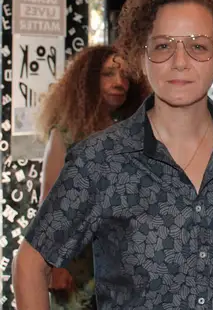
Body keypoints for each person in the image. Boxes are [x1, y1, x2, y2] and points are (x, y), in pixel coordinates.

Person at [13, 0, 213, 310]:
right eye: (164, 46)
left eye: (198, 46)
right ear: (142, 57)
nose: (180, 61)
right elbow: (31, 263)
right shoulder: (101, 159)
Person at [35, 45, 147, 309]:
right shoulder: (65, 133)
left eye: (125, 75)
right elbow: (49, 202)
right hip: (78, 265)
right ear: (88, 80)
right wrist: (55, 265)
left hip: (124, 265)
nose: (119, 82)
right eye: (108, 74)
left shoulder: (135, 133)